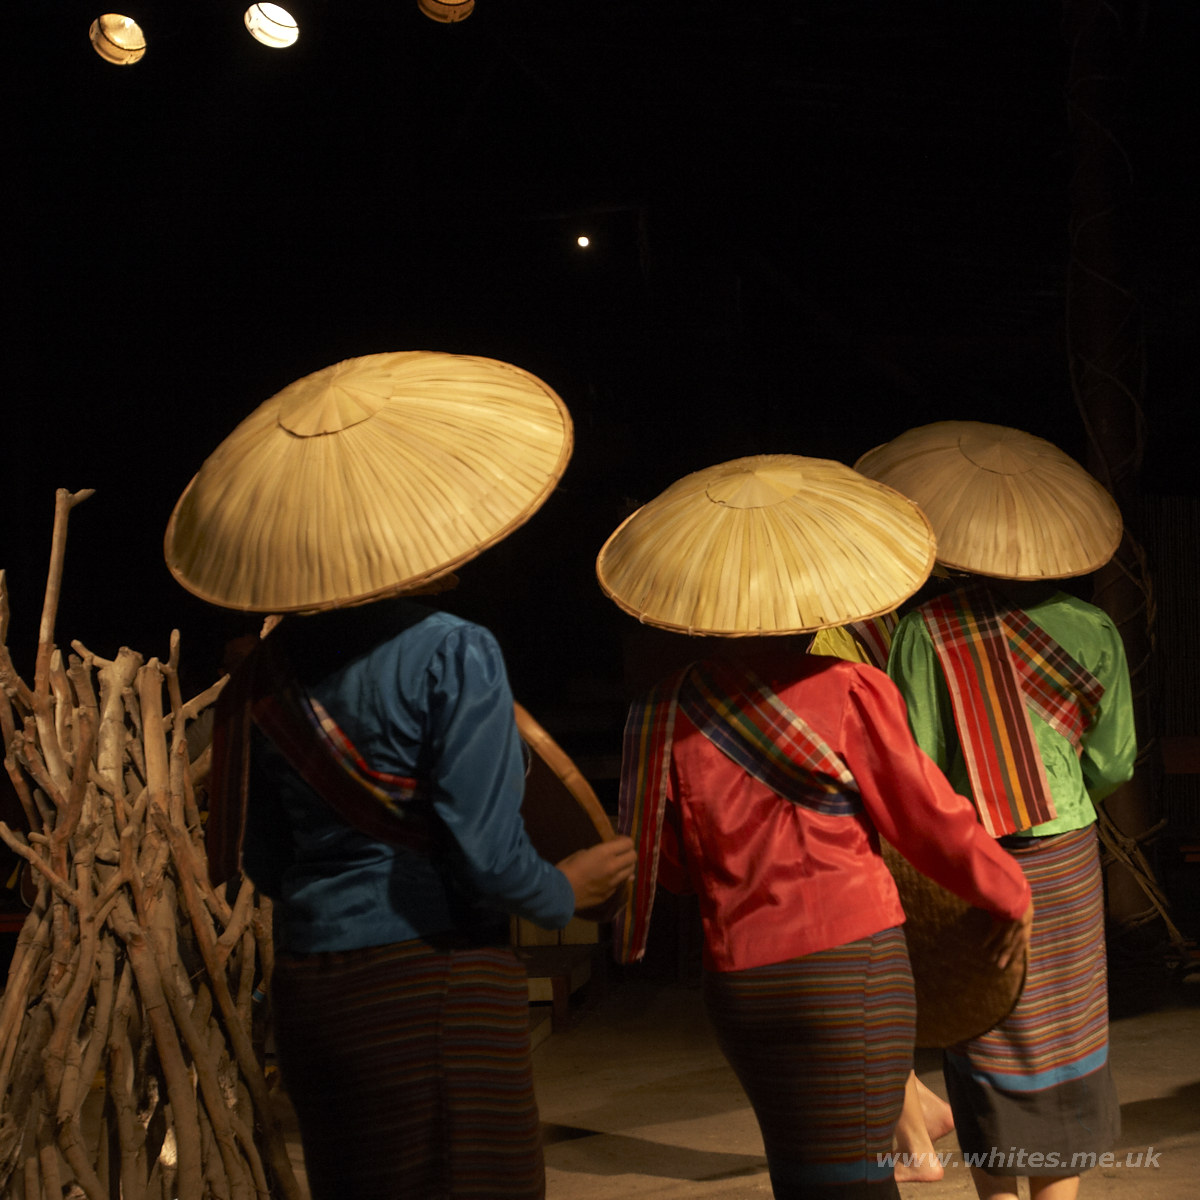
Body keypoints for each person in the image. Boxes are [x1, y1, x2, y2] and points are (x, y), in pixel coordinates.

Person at [165, 350, 636, 1200]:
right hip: (435, 979)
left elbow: (264, 860)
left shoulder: (262, 674)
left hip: (313, 994)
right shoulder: (453, 650)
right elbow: (486, 854)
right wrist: (565, 888)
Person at [596, 454, 1033, 1200]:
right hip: (847, 971)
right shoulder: (849, 687)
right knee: (860, 1180)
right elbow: (926, 820)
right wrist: (1007, 890)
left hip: (739, 983)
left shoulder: (662, 710)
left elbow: (670, 872)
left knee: (802, 1178)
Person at [857, 420, 1136, 1200]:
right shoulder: (1091, 627)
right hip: (1068, 857)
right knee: (1066, 1033)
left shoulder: (926, 632)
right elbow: (1115, 760)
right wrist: (1062, 793)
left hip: (971, 857)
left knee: (987, 1024)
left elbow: (915, 768)